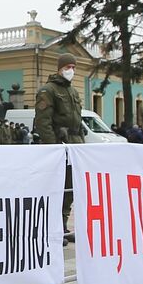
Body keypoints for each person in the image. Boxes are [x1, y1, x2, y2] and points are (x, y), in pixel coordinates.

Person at [36, 53, 84, 244]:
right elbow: (43, 122)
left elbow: (77, 122)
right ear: (60, 68)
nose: (71, 70)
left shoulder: (72, 91)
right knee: (58, 188)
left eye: (73, 67)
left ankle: (62, 226)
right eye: (68, 67)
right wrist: (54, 148)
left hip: (75, 145)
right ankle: (53, 227)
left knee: (70, 189)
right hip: (59, 146)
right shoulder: (48, 91)